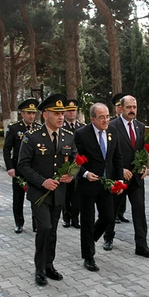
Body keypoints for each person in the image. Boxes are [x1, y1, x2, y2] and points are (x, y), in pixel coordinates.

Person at [17, 94, 75, 286]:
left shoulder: (68, 136)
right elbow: (23, 165)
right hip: (39, 193)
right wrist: (43, 182)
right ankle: (39, 268)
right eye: (56, 113)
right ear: (45, 115)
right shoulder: (32, 137)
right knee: (45, 228)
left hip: (58, 193)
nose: (61, 117)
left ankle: (49, 265)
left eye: (62, 113)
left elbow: (77, 161)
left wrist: (71, 175)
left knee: (53, 231)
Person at [102, 95, 149, 258]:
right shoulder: (112, 126)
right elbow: (107, 154)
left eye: (134, 107)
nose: (132, 110)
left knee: (139, 211)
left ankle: (141, 245)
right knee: (112, 210)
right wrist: (121, 169)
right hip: (119, 178)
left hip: (137, 179)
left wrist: (144, 165)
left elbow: (141, 149)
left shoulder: (140, 126)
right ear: (120, 109)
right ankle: (108, 237)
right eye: (128, 107)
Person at [74, 103, 124, 272]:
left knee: (108, 216)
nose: (106, 120)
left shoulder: (113, 132)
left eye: (108, 116)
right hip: (87, 184)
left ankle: (89, 241)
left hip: (106, 183)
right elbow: (75, 159)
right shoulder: (81, 134)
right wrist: (85, 173)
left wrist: (119, 180)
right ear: (92, 119)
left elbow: (117, 158)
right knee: (87, 221)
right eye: (102, 117)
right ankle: (88, 257)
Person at [3, 98, 42, 234]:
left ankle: (36, 223)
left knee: (35, 196)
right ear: (22, 114)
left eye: (33, 113)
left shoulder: (38, 128)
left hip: (34, 169)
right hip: (18, 168)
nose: (31, 116)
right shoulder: (14, 128)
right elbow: (6, 149)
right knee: (18, 197)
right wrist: (10, 167)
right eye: (28, 113)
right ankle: (19, 222)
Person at [62, 98, 84, 229]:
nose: (71, 113)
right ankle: (66, 217)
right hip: (65, 164)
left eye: (73, 110)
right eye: (69, 110)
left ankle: (76, 218)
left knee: (77, 194)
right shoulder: (61, 126)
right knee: (66, 194)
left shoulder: (82, 127)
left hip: (78, 164)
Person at [110, 92, 130, 224]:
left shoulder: (136, 125)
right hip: (117, 167)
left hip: (129, 167)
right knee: (116, 196)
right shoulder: (112, 124)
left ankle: (121, 213)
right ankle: (114, 215)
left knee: (124, 196)